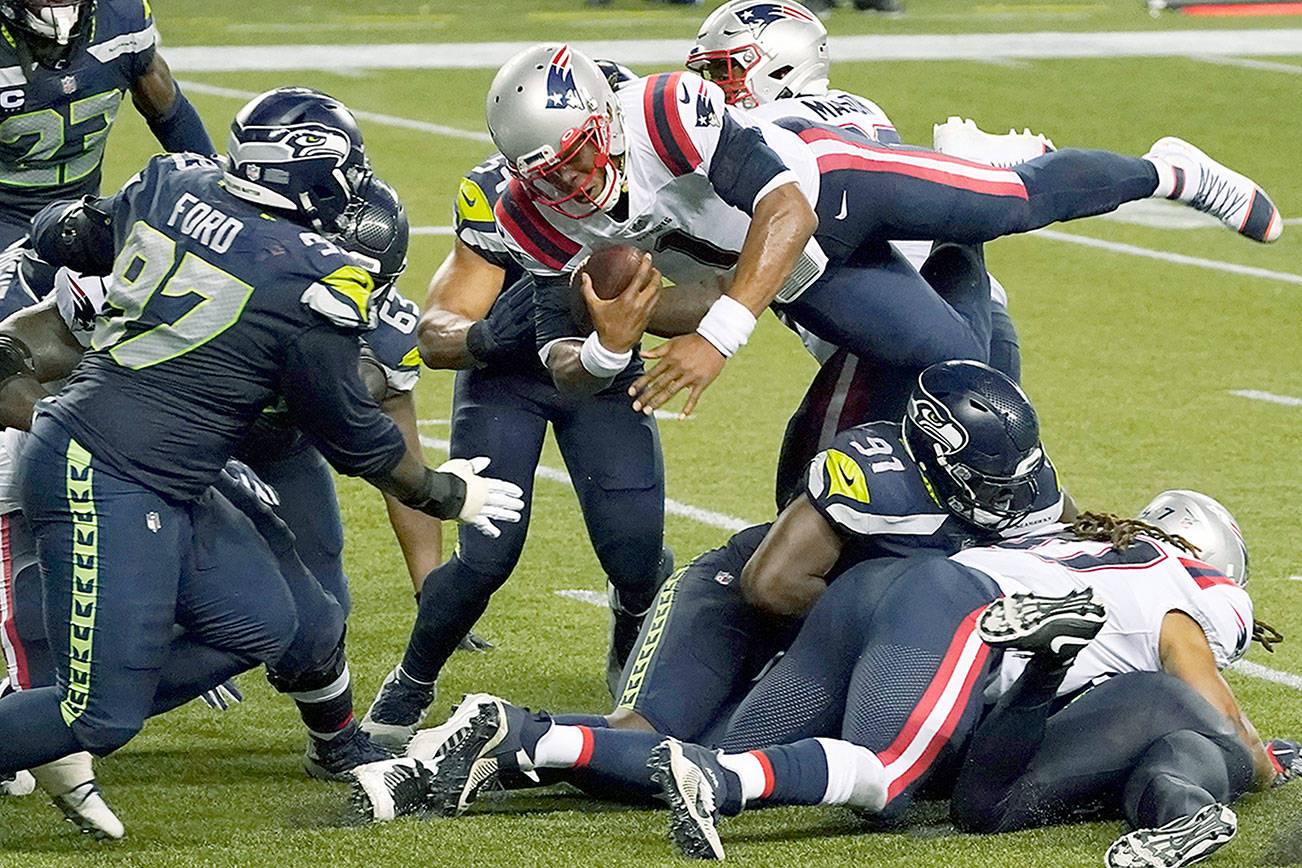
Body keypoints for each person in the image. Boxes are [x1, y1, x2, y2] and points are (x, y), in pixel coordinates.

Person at [0, 86, 522, 795]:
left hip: (254, 442)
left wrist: (429, 573)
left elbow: (386, 429)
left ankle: (329, 739)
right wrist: (441, 492)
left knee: (309, 618)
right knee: (68, 642)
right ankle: (66, 698)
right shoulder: (306, 282)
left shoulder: (176, 190)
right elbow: (363, 438)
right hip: (140, 446)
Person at [346, 360, 1064, 821]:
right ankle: (487, 737)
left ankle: (496, 747)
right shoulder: (876, 474)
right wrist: (880, 642)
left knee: (702, 761)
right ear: (934, 456)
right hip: (734, 602)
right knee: (655, 743)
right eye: (988, 482)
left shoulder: (1027, 489)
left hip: (824, 632)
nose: (1008, 498)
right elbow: (770, 584)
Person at [484, 43, 1280, 422]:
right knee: (952, 363)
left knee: (1008, 201)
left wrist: (720, 336)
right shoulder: (533, 211)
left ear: (603, 117)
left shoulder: (660, 109)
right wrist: (605, 346)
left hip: (829, 185)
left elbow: (785, 207)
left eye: (577, 156)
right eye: (546, 173)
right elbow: (565, 358)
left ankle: (1171, 170)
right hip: (786, 274)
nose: (571, 184)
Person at [643, 493, 1288, 861]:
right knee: (1204, 740)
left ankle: (546, 742)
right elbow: (1217, 707)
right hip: (959, 640)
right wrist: (1268, 765)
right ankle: (1181, 807)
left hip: (893, 602)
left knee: (704, 746)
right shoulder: (1192, 588)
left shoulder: (1074, 536)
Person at [360, 139, 674, 751]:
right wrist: (483, 337)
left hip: (602, 379)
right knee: (486, 556)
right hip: (509, 383)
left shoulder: (654, 181)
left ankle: (632, 622)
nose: (574, 175)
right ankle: (412, 678)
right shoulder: (501, 195)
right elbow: (433, 335)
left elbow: (702, 284)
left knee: (637, 555)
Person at [685, 0, 1044, 506]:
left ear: (780, 63)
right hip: (980, 310)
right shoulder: (857, 108)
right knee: (987, 496)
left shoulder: (767, 130)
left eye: (725, 69)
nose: (714, 87)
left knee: (813, 504)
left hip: (888, 345)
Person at [0, 0, 215, 304]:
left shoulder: (121, 17)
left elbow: (171, 114)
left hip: (80, 217)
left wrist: (214, 187)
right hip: (6, 215)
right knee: (10, 319)